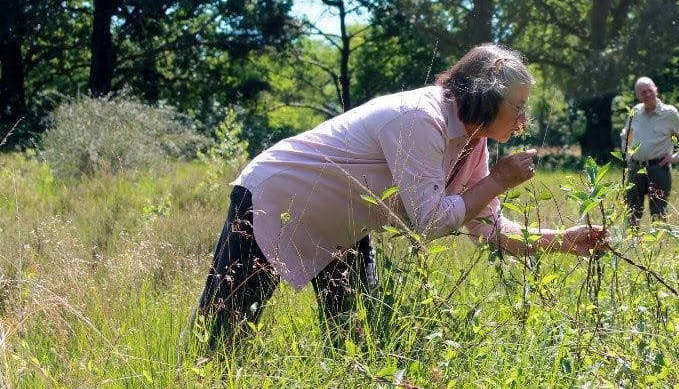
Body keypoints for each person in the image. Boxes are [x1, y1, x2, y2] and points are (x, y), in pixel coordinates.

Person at [194, 43, 608, 353]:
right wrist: (498, 181)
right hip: (277, 196)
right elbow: (428, 222)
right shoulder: (419, 118)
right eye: (517, 108)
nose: (524, 121)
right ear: (484, 95)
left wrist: (563, 241)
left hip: (344, 224)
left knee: (355, 338)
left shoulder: (473, 141)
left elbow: (487, 226)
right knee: (224, 329)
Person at [620, 77, 679, 227]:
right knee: (632, 210)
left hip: (659, 169)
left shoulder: (669, 113)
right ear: (638, 95)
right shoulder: (635, 112)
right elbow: (626, 136)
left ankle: (659, 246)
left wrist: (675, 157)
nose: (648, 94)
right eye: (643, 92)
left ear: (656, 89)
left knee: (659, 211)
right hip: (636, 168)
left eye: (650, 90)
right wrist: (628, 156)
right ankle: (631, 246)